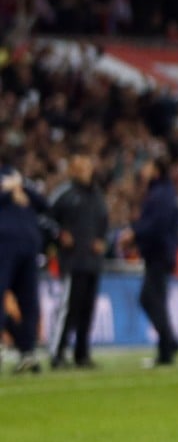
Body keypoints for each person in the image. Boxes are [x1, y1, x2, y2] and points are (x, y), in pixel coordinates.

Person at [119, 157, 178, 367]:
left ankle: (169, 341)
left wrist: (134, 233)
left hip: (159, 254)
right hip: (160, 253)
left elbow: (156, 225)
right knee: (157, 301)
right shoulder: (163, 192)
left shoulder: (160, 194)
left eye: (146, 166)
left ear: (156, 170)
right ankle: (166, 350)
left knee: (149, 298)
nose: (143, 170)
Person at [48, 153, 109, 369]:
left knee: (87, 310)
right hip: (73, 261)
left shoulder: (97, 195)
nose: (85, 171)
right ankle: (57, 353)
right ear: (73, 171)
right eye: (80, 167)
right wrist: (59, 235)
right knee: (68, 309)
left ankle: (81, 354)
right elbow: (46, 218)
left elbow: (104, 222)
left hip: (92, 261)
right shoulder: (64, 194)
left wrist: (102, 240)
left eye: (87, 166)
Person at [0, 148, 49, 373]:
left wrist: (21, 186)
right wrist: (9, 192)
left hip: (29, 244)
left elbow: (43, 203)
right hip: (4, 242)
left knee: (29, 300)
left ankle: (27, 352)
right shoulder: (10, 183)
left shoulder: (17, 178)